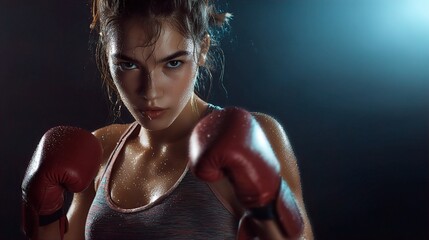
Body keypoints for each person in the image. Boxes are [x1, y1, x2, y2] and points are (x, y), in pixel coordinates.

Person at [21, 0, 313, 239]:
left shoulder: (256, 136)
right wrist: (44, 213)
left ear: (202, 50)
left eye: (173, 63)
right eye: (128, 64)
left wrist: (268, 206)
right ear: (106, 55)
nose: (150, 92)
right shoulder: (101, 148)